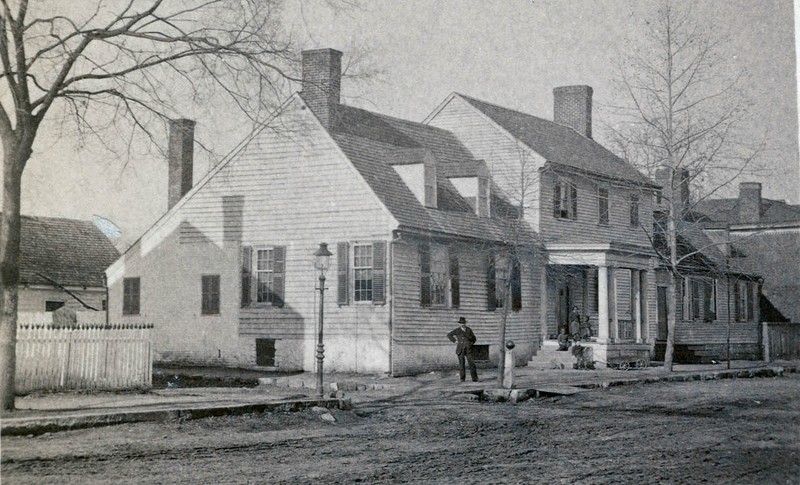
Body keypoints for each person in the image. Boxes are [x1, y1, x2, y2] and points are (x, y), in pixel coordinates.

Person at [447, 317, 478, 382]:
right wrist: (455, 341)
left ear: (465, 323)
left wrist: (471, 343)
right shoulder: (457, 330)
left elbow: (474, 338)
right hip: (460, 349)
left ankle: (474, 378)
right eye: (461, 323)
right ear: (459, 324)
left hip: (468, 349)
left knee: (472, 363)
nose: (462, 324)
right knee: (462, 364)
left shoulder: (469, 330)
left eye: (463, 323)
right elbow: (449, 335)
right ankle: (462, 379)